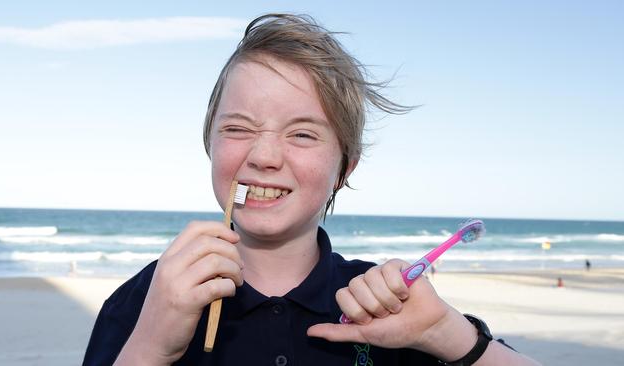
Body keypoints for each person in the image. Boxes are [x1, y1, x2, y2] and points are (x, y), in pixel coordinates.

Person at [83, 14, 540, 365]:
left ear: (344, 168)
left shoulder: (386, 304)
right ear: (210, 145)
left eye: (302, 134)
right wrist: (148, 347)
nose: (263, 156)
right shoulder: (142, 301)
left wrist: (447, 333)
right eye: (239, 128)